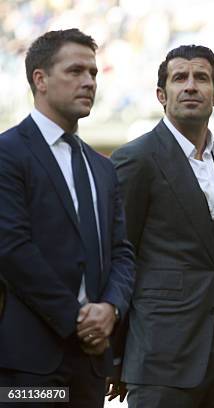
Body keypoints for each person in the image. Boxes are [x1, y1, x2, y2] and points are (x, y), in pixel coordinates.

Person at [0, 28, 134, 407]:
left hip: (90, 363)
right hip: (29, 364)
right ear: (39, 79)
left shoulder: (102, 168)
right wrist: (78, 319)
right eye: (75, 71)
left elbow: (122, 252)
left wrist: (111, 308)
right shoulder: (8, 153)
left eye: (93, 73)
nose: (89, 81)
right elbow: (11, 248)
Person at [108, 45, 214, 408]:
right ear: (161, 94)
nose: (190, 86)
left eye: (201, 78)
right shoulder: (135, 159)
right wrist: (116, 356)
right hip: (157, 357)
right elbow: (119, 257)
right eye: (179, 78)